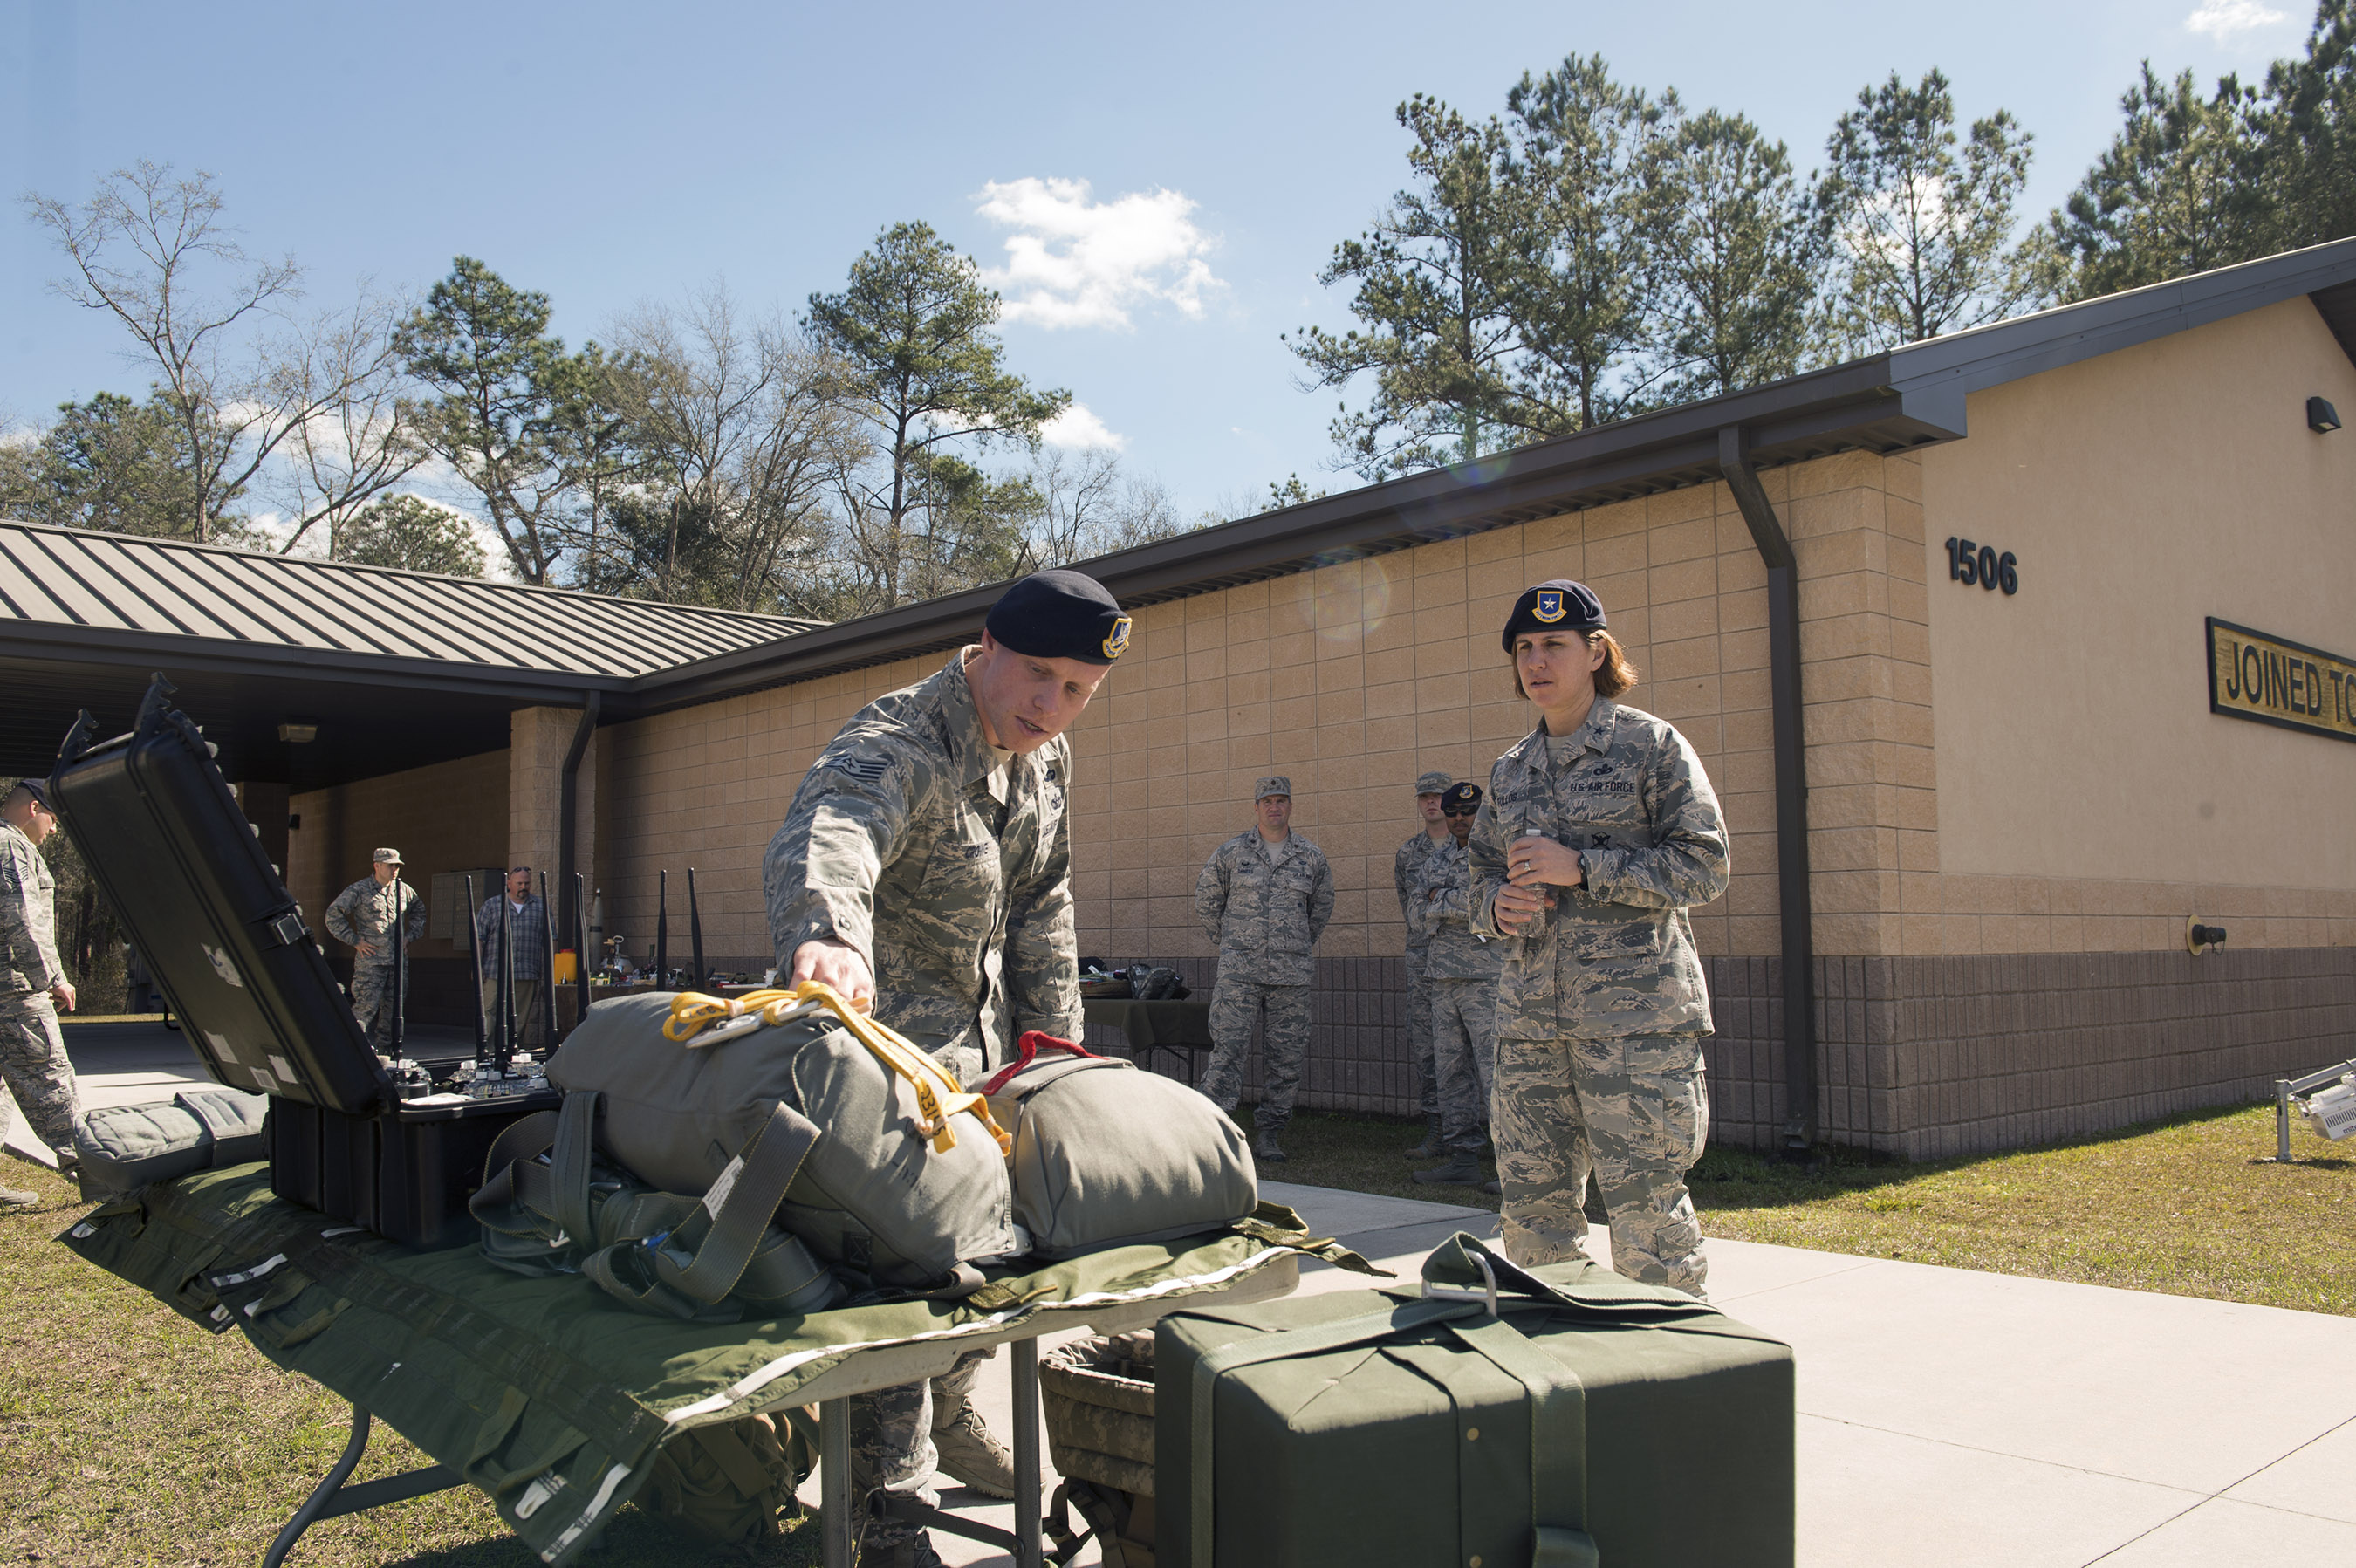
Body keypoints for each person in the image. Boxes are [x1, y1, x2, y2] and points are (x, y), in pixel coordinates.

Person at [764, 568, 1124, 1568]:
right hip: (872, 1066)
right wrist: (828, 934)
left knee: (996, 1257)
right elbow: (831, 831)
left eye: (1078, 692)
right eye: (1039, 677)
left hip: (977, 1062)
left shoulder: (1044, 759)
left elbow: (1045, 905)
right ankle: (883, 1507)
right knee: (901, 1277)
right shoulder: (900, 742)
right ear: (985, 646)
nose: (1052, 708)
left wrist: (1059, 1058)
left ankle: (953, 1420)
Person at [1469, 579, 1729, 1298]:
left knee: (1649, 1226)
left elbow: (1706, 863)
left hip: (1634, 1032)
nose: (1536, 660)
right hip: (1529, 1032)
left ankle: (1670, 1381)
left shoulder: (1650, 747)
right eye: (1524, 647)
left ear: (1596, 653)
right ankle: (1559, 1382)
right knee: (1532, 1229)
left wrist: (1584, 868)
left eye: (1554, 644)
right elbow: (1475, 879)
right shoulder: (1509, 770)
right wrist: (1496, 906)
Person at [1193, 776, 1334, 1165]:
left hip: (1291, 976)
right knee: (1227, 1051)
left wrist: (1294, 944)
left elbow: (1319, 910)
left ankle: (1271, 1133)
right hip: (1240, 973)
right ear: (1256, 808)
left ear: (1291, 806)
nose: (1275, 807)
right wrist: (1234, 941)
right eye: (1267, 801)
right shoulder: (1232, 854)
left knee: (1285, 1057)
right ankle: (1215, 1130)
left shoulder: (1310, 857)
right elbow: (1207, 900)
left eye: (1281, 800)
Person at [1410, 781, 1505, 1188]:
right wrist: (1460, 901)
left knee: (1496, 1072)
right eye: (1452, 812)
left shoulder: (1498, 855)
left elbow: (1495, 904)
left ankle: (1513, 1166)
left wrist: (1441, 900)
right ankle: (1463, 1158)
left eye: (1468, 811)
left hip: (1487, 979)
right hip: (1442, 980)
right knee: (1451, 1073)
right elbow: (1415, 913)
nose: (1460, 818)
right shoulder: (1435, 859)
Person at [0, 780, 79, 1208]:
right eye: (53, 820)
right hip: (14, 992)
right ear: (34, 807)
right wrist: (52, 978)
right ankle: (95, 1175)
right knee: (51, 1082)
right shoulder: (10, 847)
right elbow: (23, 919)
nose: (53, 832)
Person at [1394, 769, 1454, 1157]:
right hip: (1423, 962)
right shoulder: (1408, 854)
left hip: (1471, 965)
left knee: (1477, 1050)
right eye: (1424, 797)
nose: (1431, 803)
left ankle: (1480, 1134)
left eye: (1438, 796)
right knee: (1427, 1047)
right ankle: (1438, 1129)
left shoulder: (1478, 846)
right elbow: (1410, 906)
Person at [325, 849, 426, 1055]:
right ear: (377, 866)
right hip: (371, 963)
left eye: (397, 866)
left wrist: (409, 937)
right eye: (390, 865)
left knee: (393, 1014)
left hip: (398, 963)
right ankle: (351, 1053)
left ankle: (387, 1056)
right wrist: (355, 941)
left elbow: (419, 912)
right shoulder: (359, 890)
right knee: (364, 1010)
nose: (394, 870)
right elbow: (333, 915)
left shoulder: (404, 890)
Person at [474, 867, 549, 1051]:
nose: (523, 887)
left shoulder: (540, 906)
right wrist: (476, 966)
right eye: (519, 883)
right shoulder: (493, 905)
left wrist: (549, 969)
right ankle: (487, 1052)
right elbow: (479, 938)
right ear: (509, 883)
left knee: (520, 1015)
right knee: (490, 1011)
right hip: (494, 970)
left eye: (527, 883)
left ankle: (512, 1050)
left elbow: (549, 938)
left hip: (526, 971)